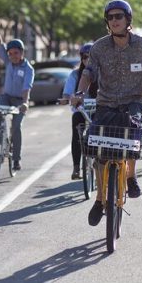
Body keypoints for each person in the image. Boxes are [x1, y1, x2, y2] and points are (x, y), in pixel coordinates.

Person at [71, 0, 142, 226]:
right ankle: (99, 199)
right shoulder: (99, 47)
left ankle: (131, 176)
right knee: (98, 148)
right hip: (106, 103)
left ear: (128, 19)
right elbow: (89, 73)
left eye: (119, 16)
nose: (114, 20)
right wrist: (79, 92)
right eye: (111, 17)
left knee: (132, 136)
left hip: (134, 103)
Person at [0, 16, 35, 171]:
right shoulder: (8, 62)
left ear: (21, 53)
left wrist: (25, 102)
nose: (13, 56)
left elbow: (26, 87)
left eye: (16, 53)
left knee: (16, 127)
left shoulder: (28, 68)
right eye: (10, 53)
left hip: (20, 100)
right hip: (7, 97)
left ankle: (16, 159)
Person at [59, 42, 98, 180]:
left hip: (99, 110)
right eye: (85, 57)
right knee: (77, 132)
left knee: (101, 129)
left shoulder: (103, 73)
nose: (87, 60)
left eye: (91, 57)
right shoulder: (75, 75)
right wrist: (67, 99)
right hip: (81, 110)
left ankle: (99, 160)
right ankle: (76, 168)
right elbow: (68, 92)